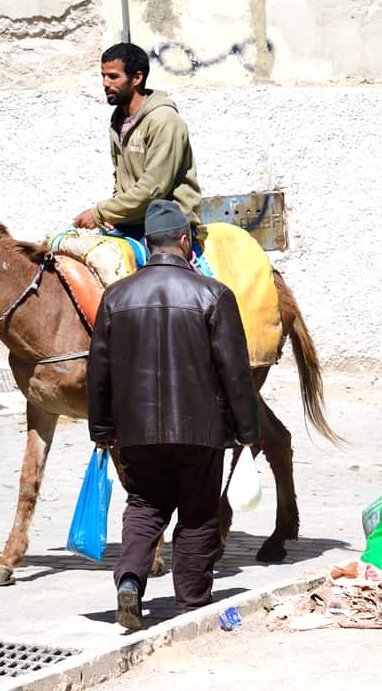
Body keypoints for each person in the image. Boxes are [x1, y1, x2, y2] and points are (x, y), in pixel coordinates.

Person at [86, 201, 259, 630]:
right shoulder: (214, 295)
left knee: (144, 506)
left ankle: (129, 580)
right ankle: (191, 604)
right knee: (198, 514)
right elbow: (234, 373)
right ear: (185, 242)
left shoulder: (115, 296)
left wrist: (103, 429)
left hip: (136, 432)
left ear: (147, 245)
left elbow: (99, 372)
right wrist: (246, 431)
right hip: (200, 432)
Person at [73, 42, 205, 244]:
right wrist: (114, 217)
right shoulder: (119, 120)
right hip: (135, 223)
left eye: (113, 77)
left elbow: (153, 188)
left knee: (155, 273)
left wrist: (101, 213)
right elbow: (121, 179)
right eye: (103, 76)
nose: (105, 83)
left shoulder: (163, 120)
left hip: (170, 226)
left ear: (137, 78)